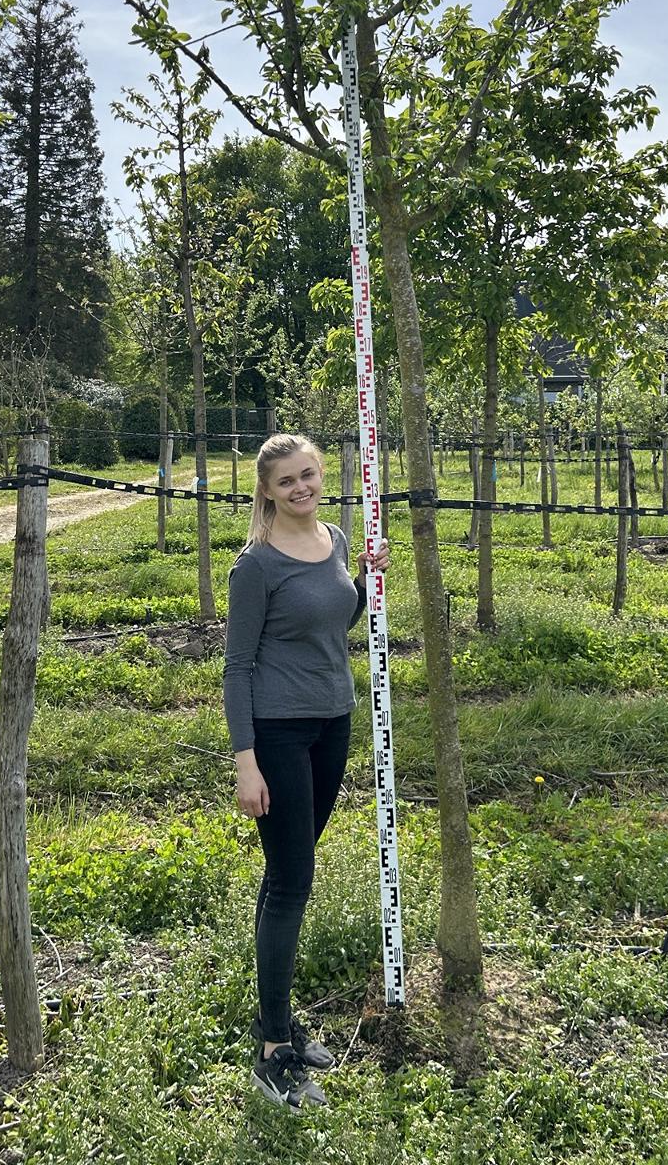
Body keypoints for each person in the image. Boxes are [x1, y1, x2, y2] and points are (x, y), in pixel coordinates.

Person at [223, 432, 390, 1110]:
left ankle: (279, 1020)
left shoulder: (335, 538)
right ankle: (272, 1052)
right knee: (293, 884)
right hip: (280, 735)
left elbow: (336, 621)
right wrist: (245, 762)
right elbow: (236, 669)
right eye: (287, 481)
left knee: (287, 874)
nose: (301, 488)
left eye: (309, 476)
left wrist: (363, 579)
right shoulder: (254, 567)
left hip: (333, 723)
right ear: (266, 490)